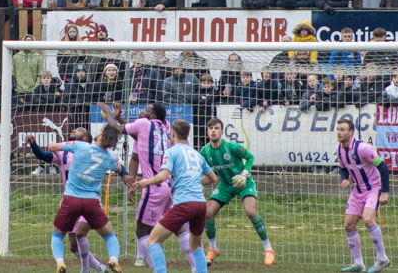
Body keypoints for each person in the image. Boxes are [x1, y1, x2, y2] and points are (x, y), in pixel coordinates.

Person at [103, 103, 204, 271]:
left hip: (153, 186)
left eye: (147, 109)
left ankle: (156, 268)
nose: (143, 110)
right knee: (179, 228)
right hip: (168, 186)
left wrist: (107, 113)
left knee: (142, 231)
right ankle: (195, 267)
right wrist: (120, 117)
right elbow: (135, 138)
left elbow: (117, 128)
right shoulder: (165, 127)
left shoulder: (144, 125)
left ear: (152, 115)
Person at [135, 119, 218, 273]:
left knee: (153, 239)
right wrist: (195, 182)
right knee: (196, 245)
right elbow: (213, 178)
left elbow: (162, 176)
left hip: (183, 203)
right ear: (187, 135)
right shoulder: (196, 154)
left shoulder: (172, 151)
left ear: (172, 133)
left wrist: (146, 182)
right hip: (200, 204)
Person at [26, 128, 111, 273]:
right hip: (71, 199)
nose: (74, 130)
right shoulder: (63, 153)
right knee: (73, 245)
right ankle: (99, 268)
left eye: (79, 130)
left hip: (90, 199)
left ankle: (86, 270)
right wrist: (33, 145)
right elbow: (43, 155)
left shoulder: (92, 152)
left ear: (85, 139)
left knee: (80, 233)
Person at [48, 124, 130, 273]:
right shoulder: (109, 158)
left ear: (101, 135)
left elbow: (51, 147)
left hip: (71, 199)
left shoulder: (79, 146)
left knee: (57, 235)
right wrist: (124, 174)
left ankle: (60, 263)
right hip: (91, 202)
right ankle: (113, 259)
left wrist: (65, 148)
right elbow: (119, 169)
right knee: (109, 235)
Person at [200, 117, 275, 266]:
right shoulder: (204, 152)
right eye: (211, 128)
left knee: (251, 212)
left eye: (216, 128)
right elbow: (206, 175)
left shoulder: (232, 147)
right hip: (225, 185)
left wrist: (244, 174)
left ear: (222, 131)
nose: (213, 131)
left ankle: (268, 249)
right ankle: (213, 248)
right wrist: (197, 182)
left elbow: (250, 157)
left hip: (243, 182)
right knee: (207, 213)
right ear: (207, 131)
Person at [336, 118, 391, 273]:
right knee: (348, 224)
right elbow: (342, 168)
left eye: (342, 129)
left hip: (373, 188)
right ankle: (358, 264)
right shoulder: (339, 149)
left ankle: (382, 258)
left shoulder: (363, 148)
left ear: (351, 132)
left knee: (368, 219)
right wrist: (344, 179)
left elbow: (383, 167)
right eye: (338, 129)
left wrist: (384, 192)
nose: (339, 132)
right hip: (356, 190)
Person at [12, 34, 44, 105]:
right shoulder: (16, 57)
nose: (28, 43)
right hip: (18, 90)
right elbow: (13, 73)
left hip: (32, 91)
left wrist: (35, 88)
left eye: (30, 41)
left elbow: (40, 74)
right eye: (26, 41)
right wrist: (16, 85)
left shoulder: (38, 57)